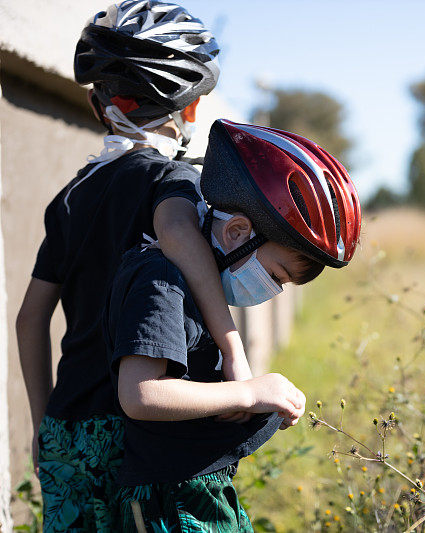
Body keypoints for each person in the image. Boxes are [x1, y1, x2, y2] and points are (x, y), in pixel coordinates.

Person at [15, 2, 249, 530]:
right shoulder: (175, 181)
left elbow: (31, 318)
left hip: (68, 430)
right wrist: (233, 350)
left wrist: (42, 423)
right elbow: (176, 234)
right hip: (137, 430)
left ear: (101, 108)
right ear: (190, 112)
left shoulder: (70, 196)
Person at [105, 119, 361, 530]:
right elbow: (140, 394)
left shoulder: (190, 282)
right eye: (277, 275)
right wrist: (246, 393)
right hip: (169, 504)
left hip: (193, 490)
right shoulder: (161, 281)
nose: (273, 291)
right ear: (238, 231)